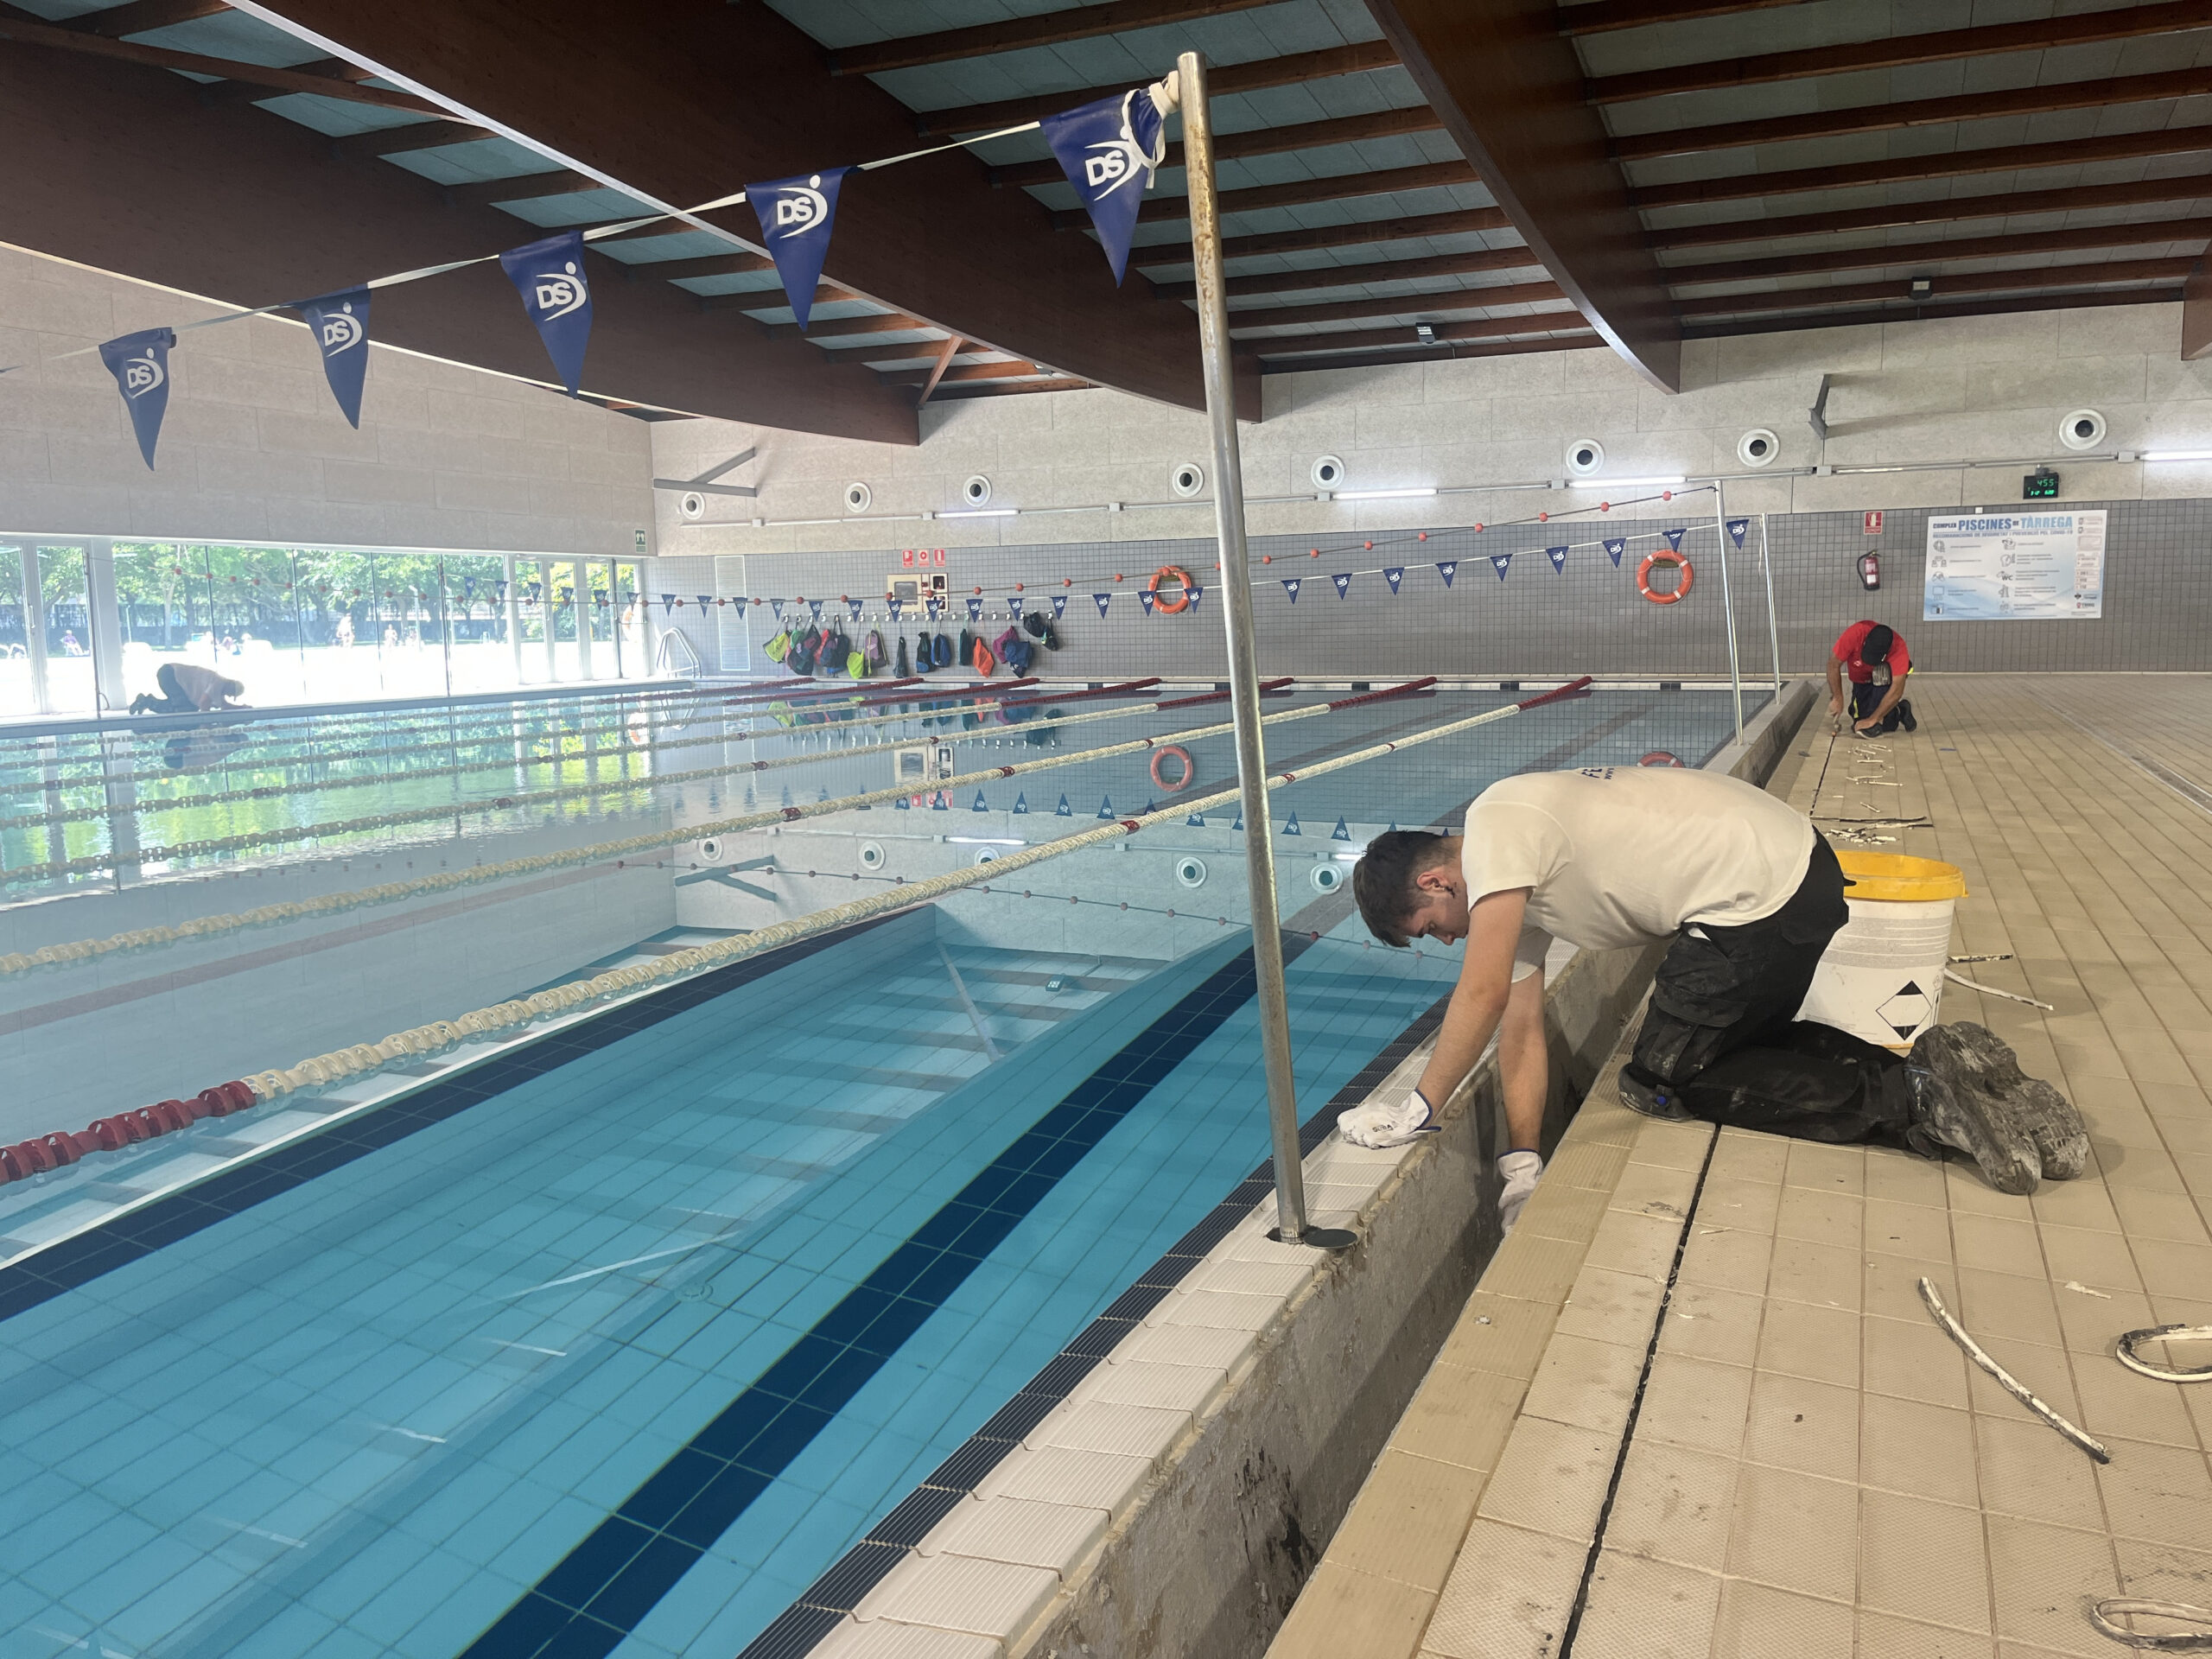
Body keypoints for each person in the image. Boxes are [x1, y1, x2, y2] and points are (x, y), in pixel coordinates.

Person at [1341, 765, 2086, 1229]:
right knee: (1726, 1043)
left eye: (1431, 927)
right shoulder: (1515, 875)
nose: (1448, 940)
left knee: (1666, 1076)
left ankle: (1914, 1101)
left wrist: (1419, 1109)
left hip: (1757, 899)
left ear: (1435, 882)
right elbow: (1520, 1028)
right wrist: (1521, 1165)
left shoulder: (1494, 829)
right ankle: (1945, 1071)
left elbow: (1479, 992)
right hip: (1798, 875)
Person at [1828, 620, 1915, 734]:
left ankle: (1891, 714)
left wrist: (1874, 719)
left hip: (1883, 680)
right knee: (1859, 722)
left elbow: (1896, 690)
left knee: (1876, 725)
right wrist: (1837, 698)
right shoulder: (1855, 634)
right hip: (1861, 680)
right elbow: (1833, 664)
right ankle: (1899, 710)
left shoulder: (1898, 648)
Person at [129, 660, 246, 715]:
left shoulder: (219, 684)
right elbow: (204, 703)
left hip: (169, 672)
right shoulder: (219, 683)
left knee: (188, 708)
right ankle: (148, 703)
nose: (228, 695)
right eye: (231, 693)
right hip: (170, 675)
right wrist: (206, 724)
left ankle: (148, 702)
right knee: (183, 710)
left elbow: (224, 706)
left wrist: (242, 708)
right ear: (230, 686)